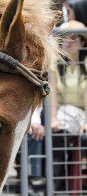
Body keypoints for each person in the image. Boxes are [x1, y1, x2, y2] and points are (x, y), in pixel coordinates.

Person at [50, 20, 87, 191]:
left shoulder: (85, 63)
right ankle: (59, 185)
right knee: (56, 136)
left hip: (82, 113)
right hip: (63, 113)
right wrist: (53, 118)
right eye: (65, 38)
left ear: (82, 42)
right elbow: (53, 95)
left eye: (73, 38)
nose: (68, 42)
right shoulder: (56, 63)